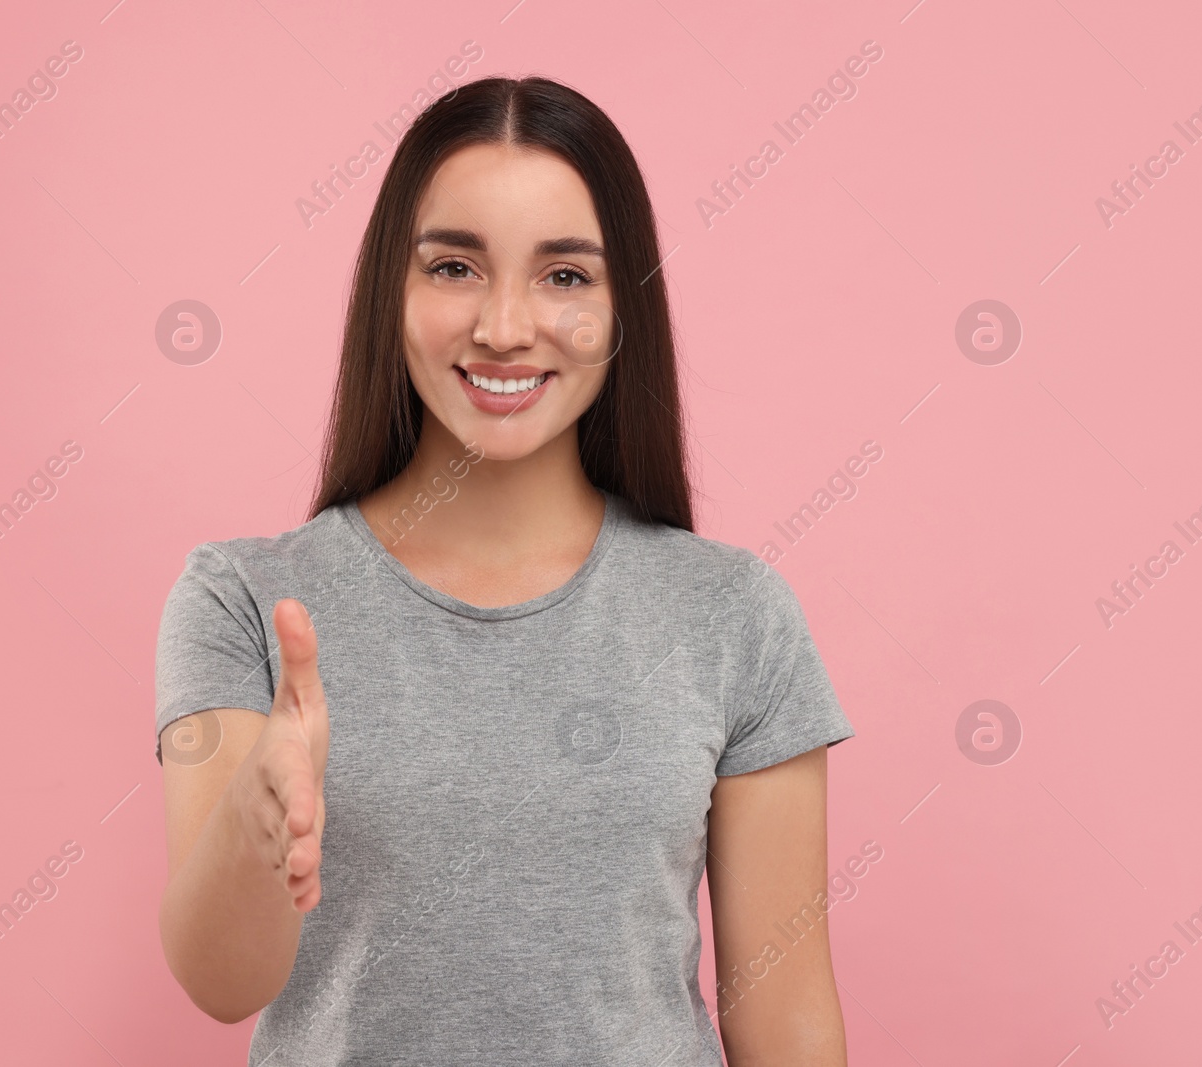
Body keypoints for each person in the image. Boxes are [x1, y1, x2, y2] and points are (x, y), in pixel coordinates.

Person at [153, 75, 855, 1066]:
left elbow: (785, 1023)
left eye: (565, 276)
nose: (504, 326)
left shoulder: (736, 615)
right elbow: (218, 980)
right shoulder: (240, 599)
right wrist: (255, 817)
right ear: (389, 291)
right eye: (453, 267)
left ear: (624, 310)